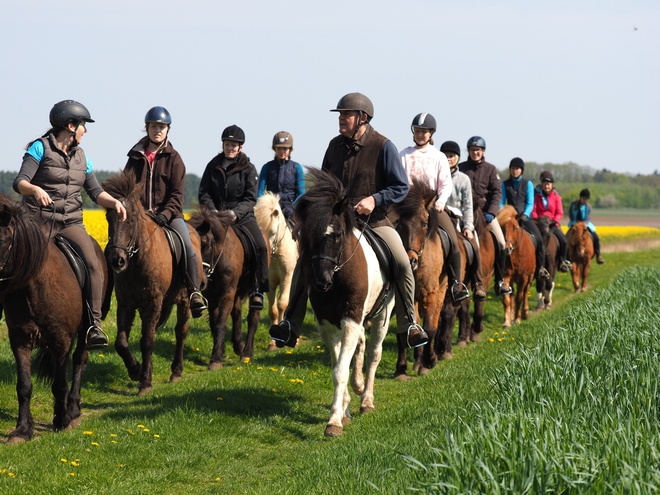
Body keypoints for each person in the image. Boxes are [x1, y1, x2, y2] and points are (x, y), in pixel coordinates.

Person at [269, 92, 428, 349]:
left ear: (362, 118)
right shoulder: (334, 145)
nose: (341, 119)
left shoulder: (383, 146)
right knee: (304, 261)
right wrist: (303, 218)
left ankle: (410, 323)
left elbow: (399, 187)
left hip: (374, 222)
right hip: (338, 222)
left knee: (402, 262)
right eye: (340, 114)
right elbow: (321, 189)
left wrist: (375, 200)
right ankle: (291, 324)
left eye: (346, 114)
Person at [14, 100, 127, 349]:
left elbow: (96, 192)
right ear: (70, 125)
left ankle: (93, 325)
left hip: (70, 223)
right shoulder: (39, 148)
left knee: (94, 265)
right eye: (83, 125)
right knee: (13, 260)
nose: (86, 131)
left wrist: (115, 203)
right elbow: (20, 181)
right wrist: (34, 189)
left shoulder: (82, 156)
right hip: (37, 223)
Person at [124, 106, 207, 318]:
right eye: (153, 126)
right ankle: (115, 291)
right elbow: (126, 189)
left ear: (167, 129)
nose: (157, 130)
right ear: (147, 128)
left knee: (187, 244)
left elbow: (177, 195)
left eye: (161, 127)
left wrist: (166, 214)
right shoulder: (134, 157)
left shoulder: (175, 158)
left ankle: (194, 291)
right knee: (117, 243)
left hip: (169, 215)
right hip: (140, 217)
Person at [399, 113, 470, 305]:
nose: (421, 134)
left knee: (452, 238)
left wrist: (441, 201)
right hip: (406, 206)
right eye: (418, 131)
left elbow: (446, 184)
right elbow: (398, 180)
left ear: (431, 134)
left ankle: (456, 284)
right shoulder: (404, 154)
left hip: (431, 204)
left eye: (425, 131)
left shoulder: (438, 156)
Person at [198, 125, 269, 308]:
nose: (230, 148)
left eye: (234, 145)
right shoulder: (212, 166)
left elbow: (250, 198)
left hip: (241, 216)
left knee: (260, 245)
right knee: (195, 240)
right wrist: (212, 211)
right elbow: (204, 193)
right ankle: (195, 288)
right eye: (228, 144)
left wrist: (234, 213)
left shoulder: (249, 169)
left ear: (240, 147)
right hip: (215, 216)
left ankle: (258, 289)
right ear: (223, 145)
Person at [458, 136, 512, 295]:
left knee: (501, 243)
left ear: (483, 151)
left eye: (478, 150)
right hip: (464, 212)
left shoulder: (490, 169)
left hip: (486, 213)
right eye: (473, 150)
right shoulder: (461, 168)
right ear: (468, 151)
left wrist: (491, 212)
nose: (476, 152)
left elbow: (497, 193)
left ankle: (500, 281)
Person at [440, 140, 487, 300]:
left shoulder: (463, 179)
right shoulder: (436, 177)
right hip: (439, 217)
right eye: (445, 156)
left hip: (458, 220)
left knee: (474, 245)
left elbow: (468, 206)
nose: (448, 159)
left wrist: (468, 227)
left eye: (451, 156)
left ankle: (478, 284)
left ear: (457, 158)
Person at [500, 157, 550, 280]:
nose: (515, 170)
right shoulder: (504, 184)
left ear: (521, 170)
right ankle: (497, 271)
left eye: (517, 168)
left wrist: (525, 215)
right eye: (512, 168)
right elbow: (501, 202)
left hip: (524, 218)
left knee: (538, 239)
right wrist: (506, 214)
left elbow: (530, 203)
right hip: (509, 219)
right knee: (497, 241)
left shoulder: (528, 184)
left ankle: (541, 268)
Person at [257, 131, 305, 224]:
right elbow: (260, 192)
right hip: (271, 209)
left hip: (291, 209)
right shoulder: (266, 167)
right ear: (274, 148)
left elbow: (301, 194)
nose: (282, 151)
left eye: (285, 148)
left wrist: (292, 207)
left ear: (290, 149)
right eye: (279, 148)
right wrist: (263, 207)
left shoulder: (297, 167)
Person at [532, 170, 572, 272]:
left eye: (548, 185)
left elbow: (559, 212)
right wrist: (537, 219)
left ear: (552, 185)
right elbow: (534, 210)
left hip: (553, 224)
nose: (546, 186)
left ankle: (563, 261)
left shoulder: (556, 198)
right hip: (540, 224)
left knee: (563, 240)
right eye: (545, 184)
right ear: (542, 185)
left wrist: (554, 220)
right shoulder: (537, 197)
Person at [568, 189, 605, 264]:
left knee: (596, 237)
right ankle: (566, 257)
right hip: (575, 224)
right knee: (566, 237)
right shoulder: (573, 205)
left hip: (585, 225)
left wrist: (583, 224)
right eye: (584, 198)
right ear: (580, 197)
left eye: (586, 199)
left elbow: (588, 218)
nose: (585, 200)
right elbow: (571, 214)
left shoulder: (588, 207)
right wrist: (576, 224)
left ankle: (598, 255)